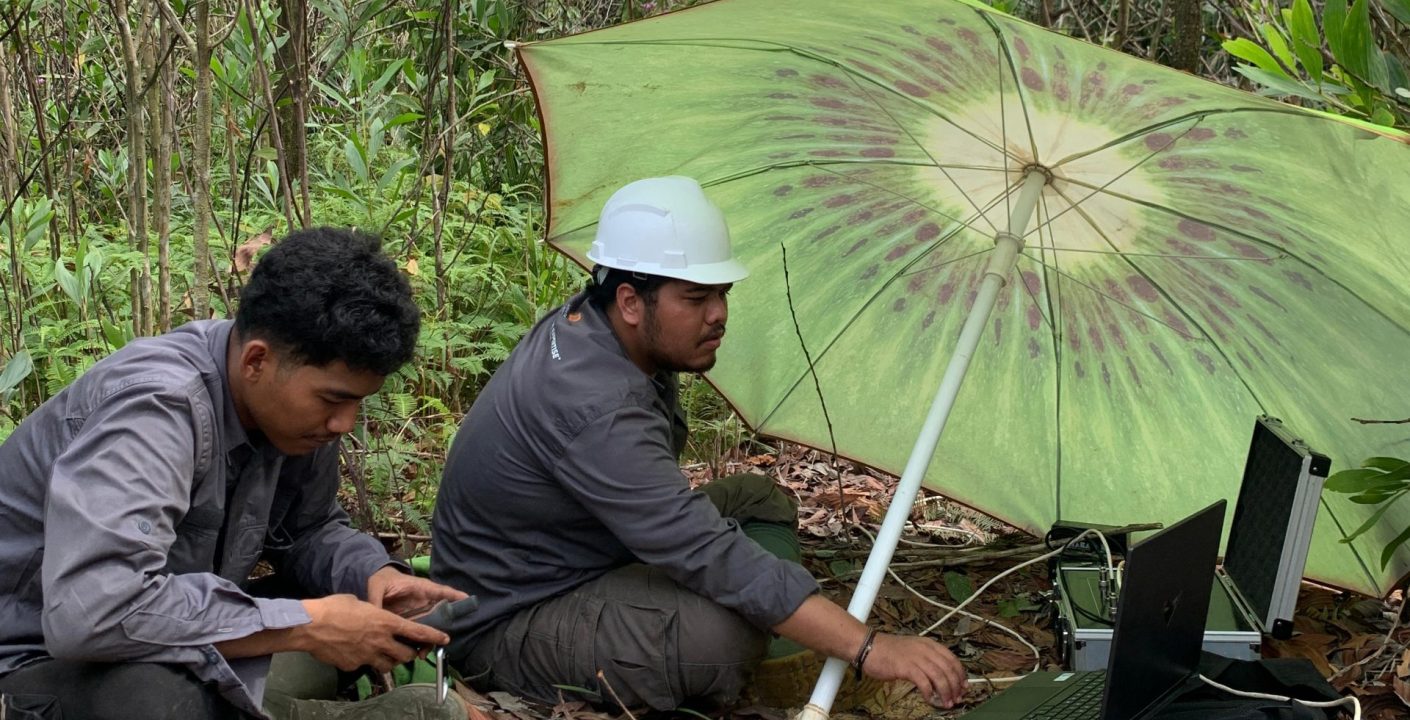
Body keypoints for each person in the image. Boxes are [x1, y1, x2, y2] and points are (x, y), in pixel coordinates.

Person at [431, 177, 967, 712]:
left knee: (758, 499)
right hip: (510, 615)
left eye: (721, 293)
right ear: (630, 300)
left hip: (587, 545)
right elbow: (702, 549)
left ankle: (785, 638)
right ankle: (779, 641)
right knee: (721, 638)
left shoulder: (604, 327)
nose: (719, 314)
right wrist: (868, 646)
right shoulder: (594, 402)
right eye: (696, 297)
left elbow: (684, 531)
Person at [0, 228, 468, 720]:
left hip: (163, 630)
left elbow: (308, 529)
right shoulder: (157, 408)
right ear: (257, 360)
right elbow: (90, 613)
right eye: (333, 399)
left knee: (328, 609)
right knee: (154, 699)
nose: (344, 423)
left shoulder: (294, 415)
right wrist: (305, 626)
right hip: (34, 654)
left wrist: (373, 575)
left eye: (357, 402)